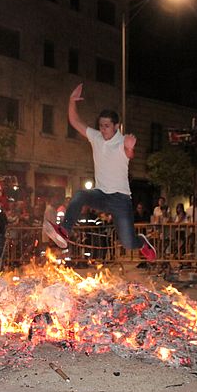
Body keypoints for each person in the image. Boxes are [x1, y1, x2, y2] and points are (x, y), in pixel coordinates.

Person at [44, 83, 156, 261]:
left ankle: (141, 242)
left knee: (127, 243)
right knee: (80, 195)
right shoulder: (95, 137)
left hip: (120, 199)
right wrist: (71, 100)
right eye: (101, 125)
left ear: (117, 126)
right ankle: (64, 230)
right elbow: (75, 121)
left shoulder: (122, 142)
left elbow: (129, 154)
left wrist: (130, 147)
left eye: (106, 126)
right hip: (102, 195)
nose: (102, 129)